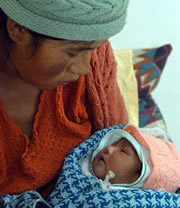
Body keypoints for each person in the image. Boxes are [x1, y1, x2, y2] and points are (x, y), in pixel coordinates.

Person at [0, 0, 129, 198]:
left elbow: (123, 157)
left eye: (94, 48)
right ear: (18, 28)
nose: (84, 68)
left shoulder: (94, 65)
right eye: (73, 52)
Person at [81, 125, 180, 192]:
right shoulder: (79, 165)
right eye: (113, 144)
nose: (108, 148)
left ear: (138, 176)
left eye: (123, 151)